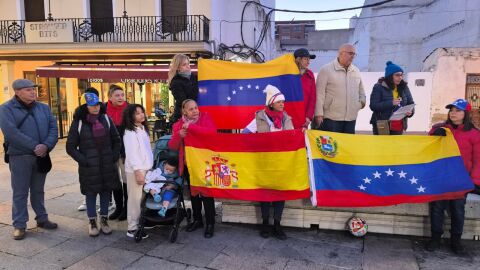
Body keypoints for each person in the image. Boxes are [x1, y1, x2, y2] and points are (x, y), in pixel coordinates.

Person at [0, 79, 59, 240]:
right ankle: (19, 225)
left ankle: (42, 218)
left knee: (38, 190)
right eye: (28, 90)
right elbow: (11, 133)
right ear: (17, 92)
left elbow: (54, 128)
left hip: (41, 157)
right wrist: (35, 146)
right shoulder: (6, 109)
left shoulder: (44, 108)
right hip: (20, 157)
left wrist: (46, 146)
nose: (33, 92)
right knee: (20, 192)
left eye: (34, 89)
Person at [427, 99, 480, 254]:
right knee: (437, 208)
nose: (453, 113)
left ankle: (455, 241)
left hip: (461, 180)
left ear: (466, 114)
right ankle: (435, 238)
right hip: (441, 177)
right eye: (451, 110)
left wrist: (473, 181)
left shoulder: (474, 134)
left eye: (458, 110)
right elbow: (428, 145)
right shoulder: (442, 128)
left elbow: (478, 160)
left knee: (457, 210)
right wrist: (433, 135)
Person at [66, 93, 121, 237]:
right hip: (89, 166)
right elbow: (70, 147)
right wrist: (84, 161)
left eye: (97, 105)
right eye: (92, 105)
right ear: (85, 106)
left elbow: (116, 140)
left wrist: (113, 156)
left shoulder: (106, 119)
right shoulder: (78, 123)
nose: (95, 108)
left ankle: (104, 219)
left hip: (107, 164)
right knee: (90, 193)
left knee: (105, 191)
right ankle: (92, 221)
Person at [243, 85, 293, 240]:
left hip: (281, 163)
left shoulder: (286, 118)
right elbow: (245, 134)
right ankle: (265, 223)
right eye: (279, 101)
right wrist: (256, 145)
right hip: (264, 162)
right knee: (264, 193)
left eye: (283, 102)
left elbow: (292, 136)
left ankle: (277, 224)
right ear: (271, 102)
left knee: (280, 193)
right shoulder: (259, 118)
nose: (282, 104)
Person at [168, 99, 217, 238]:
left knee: (207, 193)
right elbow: (172, 146)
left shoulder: (205, 118)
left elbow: (212, 133)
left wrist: (191, 127)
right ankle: (197, 220)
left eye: (196, 108)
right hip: (189, 164)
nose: (195, 111)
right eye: (191, 109)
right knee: (194, 193)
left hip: (205, 163)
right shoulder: (178, 125)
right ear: (184, 111)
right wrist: (179, 135)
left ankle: (210, 223)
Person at [314, 43, 366, 134]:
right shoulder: (326, 70)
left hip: (351, 117)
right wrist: (318, 114)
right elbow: (319, 94)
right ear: (341, 53)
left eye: (354, 54)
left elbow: (361, 90)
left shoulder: (356, 71)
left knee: (347, 146)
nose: (353, 56)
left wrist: (360, 104)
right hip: (331, 118)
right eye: (350, 53)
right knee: (332, 147)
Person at [122, 104, 153, 239]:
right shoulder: (129, 132)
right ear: (131, 116)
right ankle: (132, 227)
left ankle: (142, 221)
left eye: (142, 112)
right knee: (134, 199)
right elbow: (132, 153)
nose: (141, 115)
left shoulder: (142, 129)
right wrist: (137, 171)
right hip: (137, 170)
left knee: (142, 198)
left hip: (146, 168)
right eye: (137, 113)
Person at [369, 61, 414, 135]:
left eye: (401, 75)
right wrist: (391, 103)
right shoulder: (378, 87)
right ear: (390, 76)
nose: (400, 77)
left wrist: (410, 112)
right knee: (382, 145)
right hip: (382, 124)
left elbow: (410, 103)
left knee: (396, 146)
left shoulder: (404, 87)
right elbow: (373, 106)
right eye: (397, 75)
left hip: (398, 123)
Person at [105, 84, 129, 221]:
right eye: (117, 95)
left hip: (125, 152)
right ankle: (118, 207)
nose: (120, 98)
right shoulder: (103, 109)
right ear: (110, 97)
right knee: (115, 181)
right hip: (110, 151)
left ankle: (126, 208)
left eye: (122, 95)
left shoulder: (129, 109)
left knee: (126, 181)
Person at [168, 54, 198, 124]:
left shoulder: (193, 77)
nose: (188, 66)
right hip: (183, 117)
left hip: (194, 114)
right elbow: (183, 101)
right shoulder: (176, 82)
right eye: (184, 65)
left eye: (188, 64)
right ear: (178, 67)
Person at [294, 48, 316, 129]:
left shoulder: (310, 75)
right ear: (298, 59)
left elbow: (312, 98)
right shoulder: (289, 74)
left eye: (309, 59)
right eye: (306, 59)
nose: (308, 62)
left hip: (304, 118)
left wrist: (308, 117)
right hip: (289, 117)